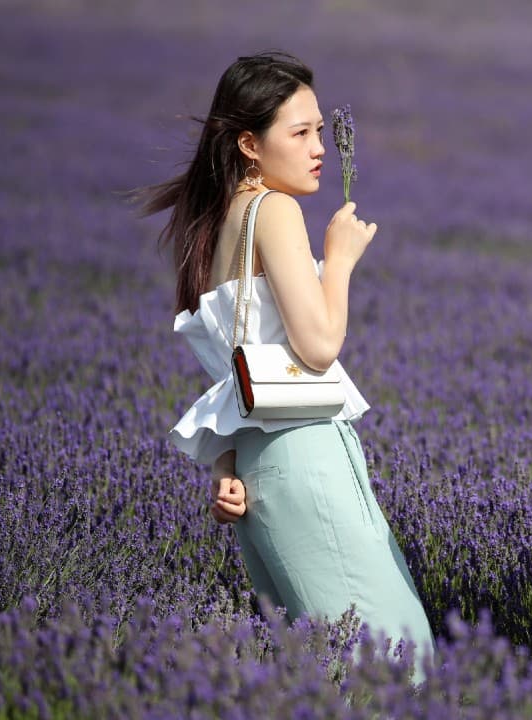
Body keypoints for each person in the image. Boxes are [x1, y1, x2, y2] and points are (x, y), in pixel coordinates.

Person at [144, 52, 434, 668]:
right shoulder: (275, 211)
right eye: (299, 133)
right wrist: (343, 259)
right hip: (305, 457)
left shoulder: (217, 223)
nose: (319, 147)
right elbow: (320, 346)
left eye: (321, 131)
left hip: (255, 465)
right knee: (390, 655)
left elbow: (234, 377)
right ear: (249, 144)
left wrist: (225, 464)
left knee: (319, 657)